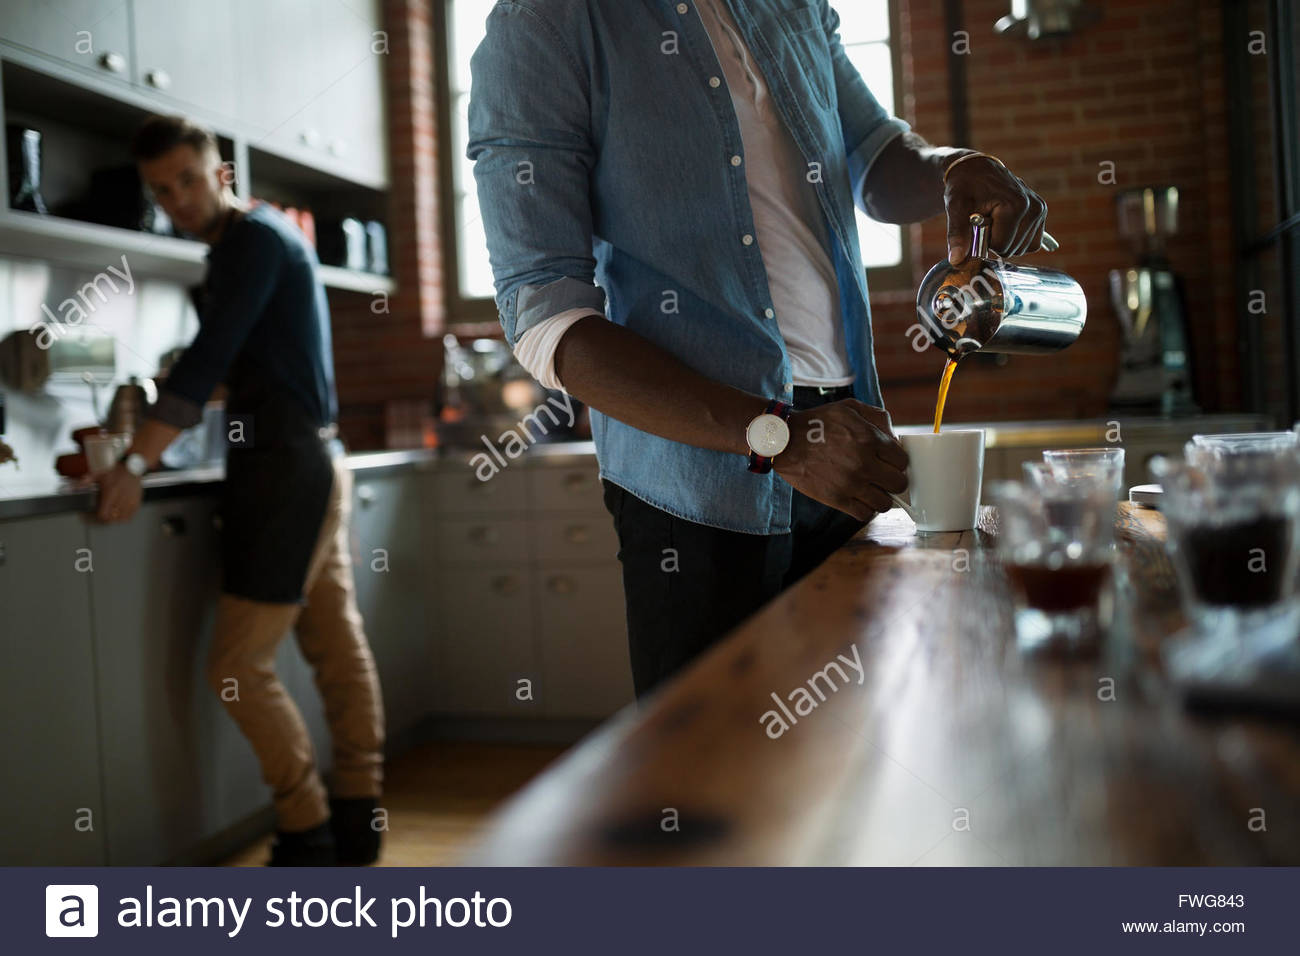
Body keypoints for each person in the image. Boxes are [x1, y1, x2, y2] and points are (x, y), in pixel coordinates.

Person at [467, 0, 1049, 699]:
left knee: (856, 755)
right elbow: (544, 315)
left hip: (847, 445)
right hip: (699, 480)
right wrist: (779, 437)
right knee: (709, 776)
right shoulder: (546, 22)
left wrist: (954, 167)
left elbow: (875, 155)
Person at [95, 115, 386, 865]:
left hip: (286, 472)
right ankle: (357, 817)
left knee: (235, 670)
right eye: (162, 190)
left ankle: (306, 828)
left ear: (221, 170)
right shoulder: (253, 244)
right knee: (334, 643)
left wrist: (133, 465)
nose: (179, 200)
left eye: (189, 180)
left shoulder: (252, 242)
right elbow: (229, 365)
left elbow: (207, 361)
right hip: (311, 460)